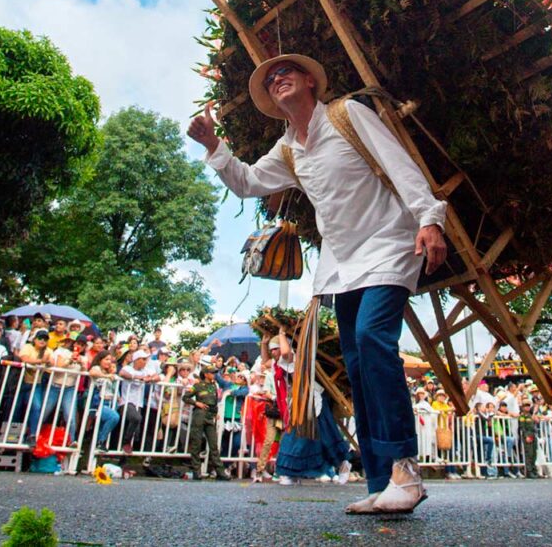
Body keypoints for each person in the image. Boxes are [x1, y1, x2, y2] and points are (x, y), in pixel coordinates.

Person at [187, 53, 447, 514]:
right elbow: (248, 182)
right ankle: (379, 480)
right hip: (341, 263)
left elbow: (398, 162)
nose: (277, 77)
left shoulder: (349, 115)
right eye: (270, 78)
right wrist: (213, 146)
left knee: (371, 340)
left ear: (311, 80)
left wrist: (430, 218)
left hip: (390, 243)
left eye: (285, 71)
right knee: (356, 362)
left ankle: (406, 471)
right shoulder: (288, 149)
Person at [273, 326, 351, 486]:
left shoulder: (294, 357)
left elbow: (286, 353)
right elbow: (269, 357)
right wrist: (267, 341)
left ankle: (343, 464)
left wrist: (281, 334)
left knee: (327, 434)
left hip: (314, 400)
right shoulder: (286, 361)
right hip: (302, 402)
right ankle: (290, 472)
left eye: (275, 349)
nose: (274, 352)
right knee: (296, 437)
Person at [183, 365, 230, 480]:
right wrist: (196, 403)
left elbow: (214, 402)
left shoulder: (214, 385)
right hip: (200, 414)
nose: (213, 374)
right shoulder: (198, 385)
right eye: (211, 373)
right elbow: (186, 397)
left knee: (214, 445)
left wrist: (216, 413)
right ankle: (196, 471)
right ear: (205, 374)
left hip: (210, 416)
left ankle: (220, 471)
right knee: (196, 444)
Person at [518, 400, 540, 478]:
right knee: (529, 454)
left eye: (528, 406)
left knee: (534, 453)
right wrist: (526, 436)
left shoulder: (531, 415)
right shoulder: (522, 416)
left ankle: (534, 470)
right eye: (525, 406)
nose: (527, 407)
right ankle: (529, 471)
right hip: (528, 434)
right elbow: (522, 427)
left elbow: (537, 421)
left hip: (533, 434)